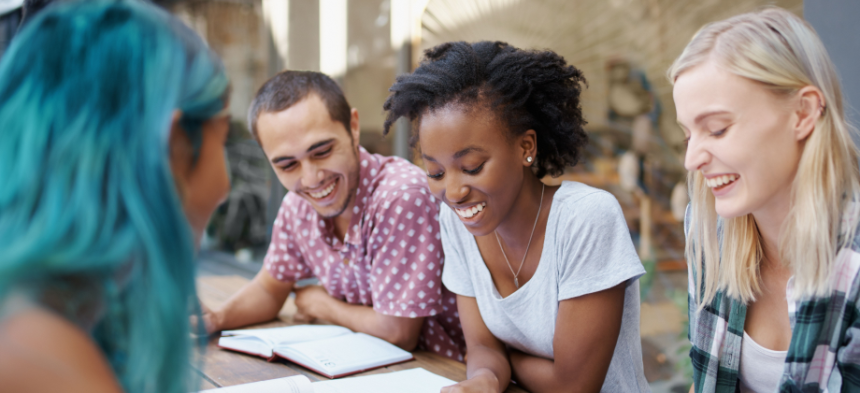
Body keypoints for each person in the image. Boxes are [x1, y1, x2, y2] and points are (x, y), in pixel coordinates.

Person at [383, 41, 650, 393]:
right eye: (435, 173)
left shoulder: (585, 219)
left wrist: (506, 360)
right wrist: (482, 381)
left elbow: (574, 386)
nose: (454, 191)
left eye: (472, 167)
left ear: (526, 147)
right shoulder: (457, 223)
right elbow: (481, 347)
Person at [0, 1, 231, 392]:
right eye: (222, 139)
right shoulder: (42, 359)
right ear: (173, 145)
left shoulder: (40, 317)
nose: (225, 184)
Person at [200, 70, 466, 361]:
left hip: (445, 372)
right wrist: (216, 318)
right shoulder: (296, 206)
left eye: (322, 151)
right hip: (365, 367)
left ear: (353, 126)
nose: (312, 178)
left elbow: (399, 333)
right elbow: (269, 287)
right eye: (288, 165)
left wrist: (322, 305)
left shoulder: (401, 197)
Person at [670, 7, 860, 393]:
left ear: (803, 113)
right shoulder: (709, 230)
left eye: (718, 129)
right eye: (688, 134)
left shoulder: (852, 262)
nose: (692, 160)